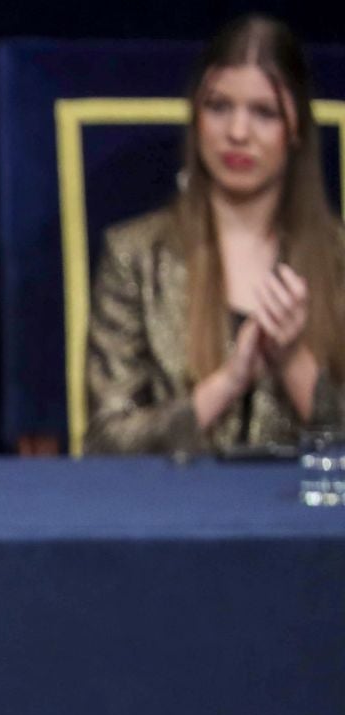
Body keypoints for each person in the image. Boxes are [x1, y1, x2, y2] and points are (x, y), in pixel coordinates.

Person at [86, 15, 345, 455]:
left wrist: (293, 361)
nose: (237, 133)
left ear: (296, 127)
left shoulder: (339, 258)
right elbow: (106, 445)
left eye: (263, 112)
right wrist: (228, 382)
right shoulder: (135, 254)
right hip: (173, 512)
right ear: (195, 117)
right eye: (219, 107)